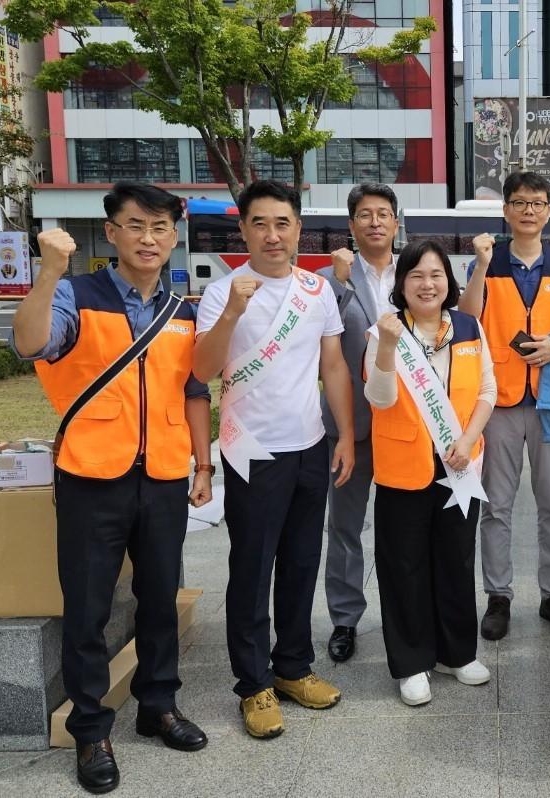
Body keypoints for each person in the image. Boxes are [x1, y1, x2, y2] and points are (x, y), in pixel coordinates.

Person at [10, 183, 212, 794]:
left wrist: (204, 466)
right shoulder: (78, 292)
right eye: (135, 226)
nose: (148, 238)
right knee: (90, 607)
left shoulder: (183, 308)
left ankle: (158, 705)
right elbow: (30, 343)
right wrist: (48, 272)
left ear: (174, 236)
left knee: (158, 598)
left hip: (164, 476)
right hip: (92, 475)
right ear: (114, 233)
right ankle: (91, 728)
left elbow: (194, 389)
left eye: (159, 227)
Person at [193, 180, 355, 739]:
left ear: (298, 230)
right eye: (259, 223)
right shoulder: (222, 293)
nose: (272, 234)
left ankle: (292, 668)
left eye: (282, 223)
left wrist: (348, 437)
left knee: (301, 563)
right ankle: (253, 684)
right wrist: (233, 312)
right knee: (252, 569)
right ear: (243, 230)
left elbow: (333, 368)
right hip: (251, 452)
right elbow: (202, 369)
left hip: (310, 446)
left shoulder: (317, 290)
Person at [459, 171, 550, 641]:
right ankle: (498, 596)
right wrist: (478, 265)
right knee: (496, 504)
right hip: (499, 400)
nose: (529, 211)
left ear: (549, 208)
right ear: (506, 210)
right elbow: (468, 317)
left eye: (537, 203)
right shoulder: (489, 263)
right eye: (520, 203)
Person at [363, 240, 496, 706]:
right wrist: (387, 348)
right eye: (416, 275)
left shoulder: (468, 326)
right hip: (404, 468)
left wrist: (466, 439)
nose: (427, 284)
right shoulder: (384, 330)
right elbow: (378, 399)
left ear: (448, 281)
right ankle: (411, 661)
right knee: (404, 566)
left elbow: (486, 391)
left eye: (436, 274)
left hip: (460, 466)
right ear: (402, 283)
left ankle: (457, 653)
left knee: (456, 561)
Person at [316, 182, 400, 664]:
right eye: (365, 215)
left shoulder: (417, 274)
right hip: (347, 425)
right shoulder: (329, 283)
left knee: (400, 528)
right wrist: (342, 285)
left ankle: (401, 613)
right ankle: (345, 619)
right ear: (351, 225)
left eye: (382, 213)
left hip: (404, 425)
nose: (374, 222)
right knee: (344, 527)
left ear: (395, 222)